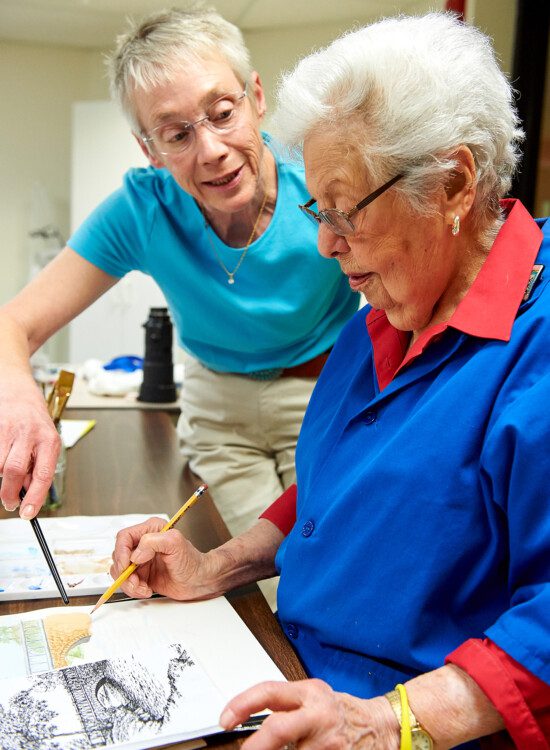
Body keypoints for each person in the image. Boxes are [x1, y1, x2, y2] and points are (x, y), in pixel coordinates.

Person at [109, 12, 550, 749]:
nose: (324, 240)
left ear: (452, 182)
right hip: (287, 675)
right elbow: (326, 490)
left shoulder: (533, 343)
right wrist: (213, 566)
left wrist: (391, 722)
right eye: (319, 207)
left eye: (345, 209)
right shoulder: (375, 320)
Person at [0, 9, 358, 556]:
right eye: (176, 134)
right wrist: (21, 401)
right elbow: (14, 323)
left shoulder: (316, 174)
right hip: (220, 410)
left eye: (221, 113)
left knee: (333, 559)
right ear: (150, 149)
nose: (210, 149)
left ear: (256, 97)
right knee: (269, 575)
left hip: (324, 391)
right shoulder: (143, 210)